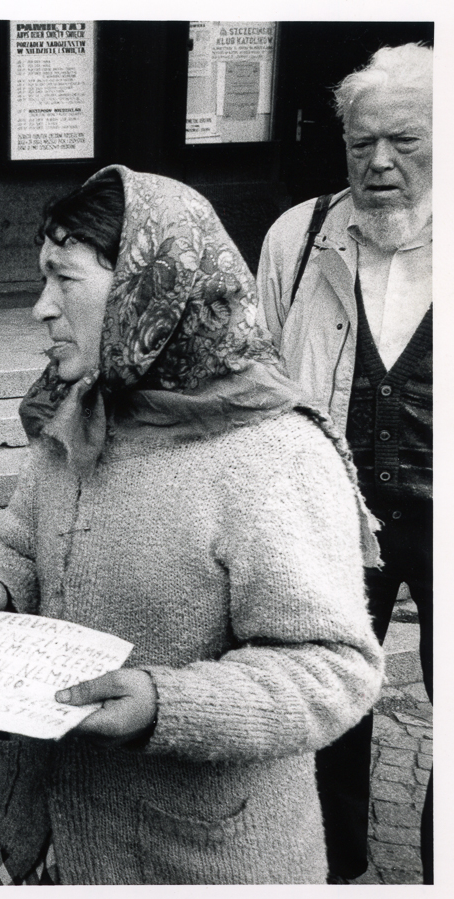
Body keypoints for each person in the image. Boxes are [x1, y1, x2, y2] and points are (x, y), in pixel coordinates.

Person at [0, 166, 385, 884]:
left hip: (188, 857)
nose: (40, 308)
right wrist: (1, 584)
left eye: (64, 280)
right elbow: (23, 541)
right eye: (42, 280)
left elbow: (334, 667)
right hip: (39, 832)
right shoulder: (82, 408)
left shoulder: (271, 453)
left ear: (143, 290)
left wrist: (164, 705)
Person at [256, 43, 432, 884]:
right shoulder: (298, 237)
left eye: (405, 140)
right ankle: (335, 870)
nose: (380, 163)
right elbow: (252, 374)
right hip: (328, 516)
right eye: (362, 144)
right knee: (326, 705)